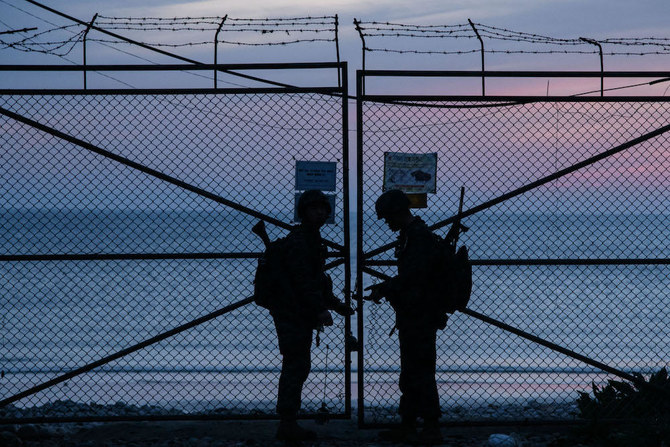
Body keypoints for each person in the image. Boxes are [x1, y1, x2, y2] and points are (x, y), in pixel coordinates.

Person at [271, 189, 353, 442]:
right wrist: (320, 309)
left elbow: (317, 281)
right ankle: (287, 422)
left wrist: (335, 304)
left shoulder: (311, 239)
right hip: (292, 313)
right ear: (303, 212)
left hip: (299, 312)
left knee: (298, 365)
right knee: (295, 365)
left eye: (323, 208)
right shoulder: (300, 241)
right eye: (313, 208)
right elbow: (303, 281)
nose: (319, 212)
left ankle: (288, 420)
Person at [366, 189, 444, 445]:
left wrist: (386, 288)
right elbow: (411, 277)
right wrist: (388, 288)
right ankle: (408, 424)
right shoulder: (412, 235)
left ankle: (431, 425)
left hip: (420, 314)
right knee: (412, 371)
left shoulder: (418, 237)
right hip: (413, 313)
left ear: (399, 212)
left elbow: (415, 277)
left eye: (388, 217)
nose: (386, 222)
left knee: (420, 370)